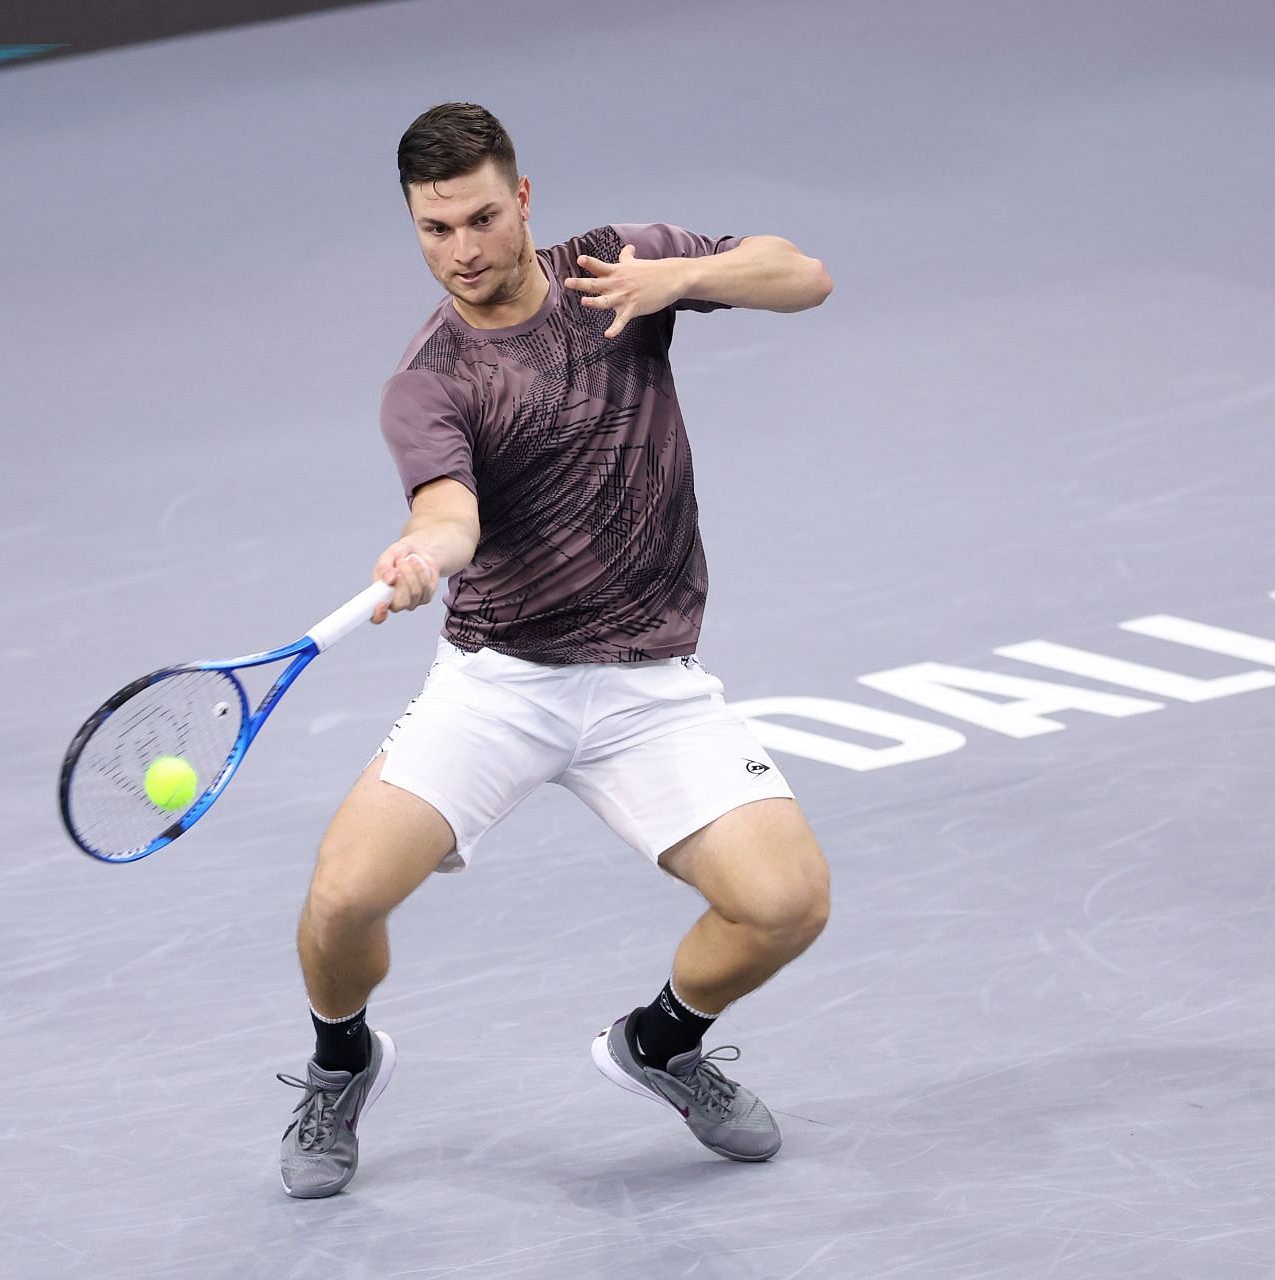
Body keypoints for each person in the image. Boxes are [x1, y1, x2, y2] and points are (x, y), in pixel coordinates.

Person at [275, 103, 834, 1198]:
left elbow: (802, 274)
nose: (463, 250)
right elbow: (451, 512)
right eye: (434, 230)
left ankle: (663, 1042)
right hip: (503, 682)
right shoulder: (428, 380)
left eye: (481, 217)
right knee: (342, 897)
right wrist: (427, 551)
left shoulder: (615, 268)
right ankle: (340, 1063)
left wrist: (674, 282)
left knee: (788, 902)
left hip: (652, 686)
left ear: (522, 199)